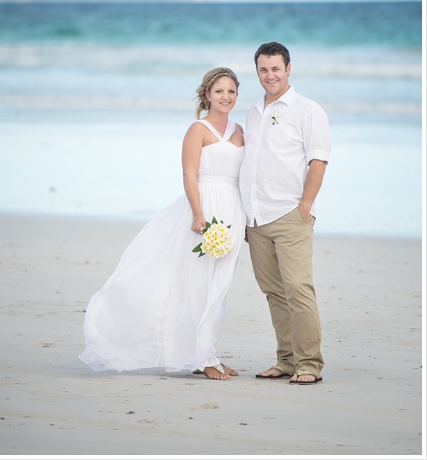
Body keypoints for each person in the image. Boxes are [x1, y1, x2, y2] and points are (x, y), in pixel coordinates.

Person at [80, 67, 246, 380]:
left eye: (231, 92)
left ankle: (205, 354)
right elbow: (188, 174)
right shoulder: (197, 129)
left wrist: (247, 220)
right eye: (219, 91)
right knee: (197, 286)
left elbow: (245, 178)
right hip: (205, 210)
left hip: (233, 210)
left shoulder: (240, 131)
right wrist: (198, 214)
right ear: (207, 95)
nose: (226, 97)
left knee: (219, 288)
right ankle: (203, 358)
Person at [240, 42, 330, 385]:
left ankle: (309, 364)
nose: (270, 75)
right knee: (274, 291)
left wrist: (305, 205)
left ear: (289, 68)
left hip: (290, 213)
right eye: (263, 69)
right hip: (256, 218)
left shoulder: (308, 110)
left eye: (276, 68)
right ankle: (286, 359)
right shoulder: (252, 111)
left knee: (298, 288)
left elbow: (318, 160)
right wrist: (247, 213)